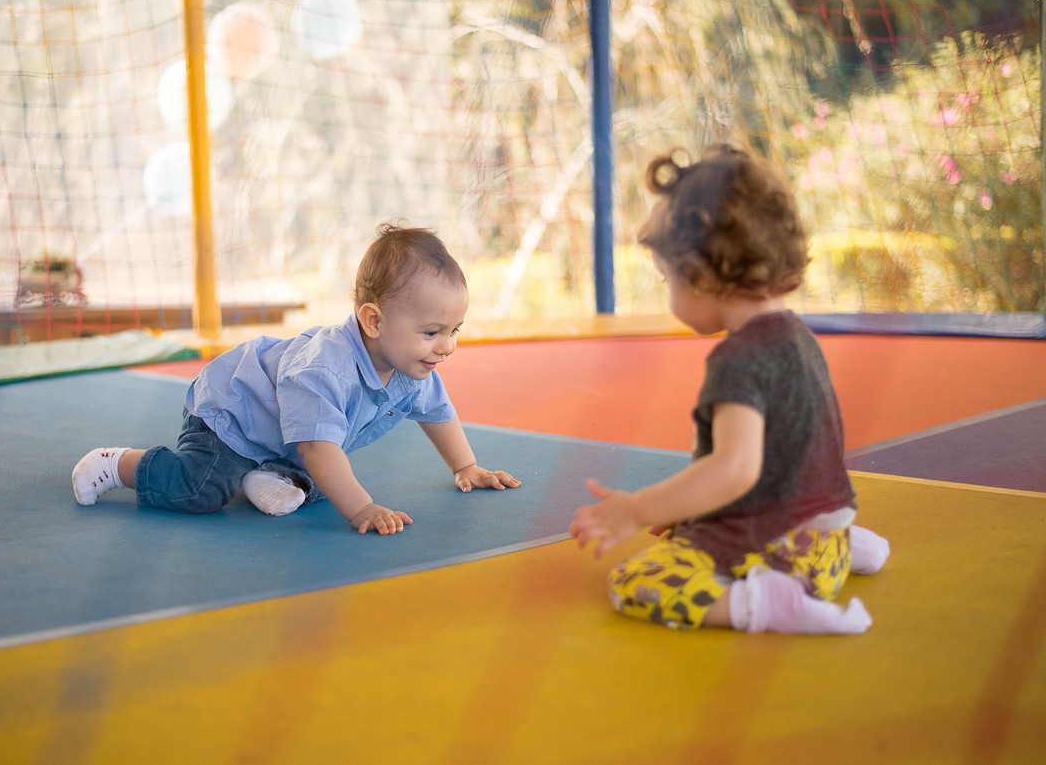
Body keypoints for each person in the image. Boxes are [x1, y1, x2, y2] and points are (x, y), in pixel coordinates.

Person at [569, 145, 889, 634]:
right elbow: (790, 458)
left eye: (666, 278)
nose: (669, 291)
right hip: (825, 547)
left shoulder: (739, 358)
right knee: (696, 528)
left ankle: (767, 603)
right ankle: (846, 551)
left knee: (636, 580)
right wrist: (687, 508)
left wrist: (639, 509)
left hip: (783, 556)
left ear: (699, 278)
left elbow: (736, 469)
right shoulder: (796, 335)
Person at [72, 222, 521, 534]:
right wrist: (363, 508)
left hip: (287, 436)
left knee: (329, 476)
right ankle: (119, 463)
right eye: (431, 332)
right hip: (235, 413)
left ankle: (266, 475)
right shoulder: (326, 370)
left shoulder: (412, 368)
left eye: (453, 331)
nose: (446, 346)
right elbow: (317, 447)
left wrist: (466, 467)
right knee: (203, 488)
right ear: (373, 320)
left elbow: (437, 413)